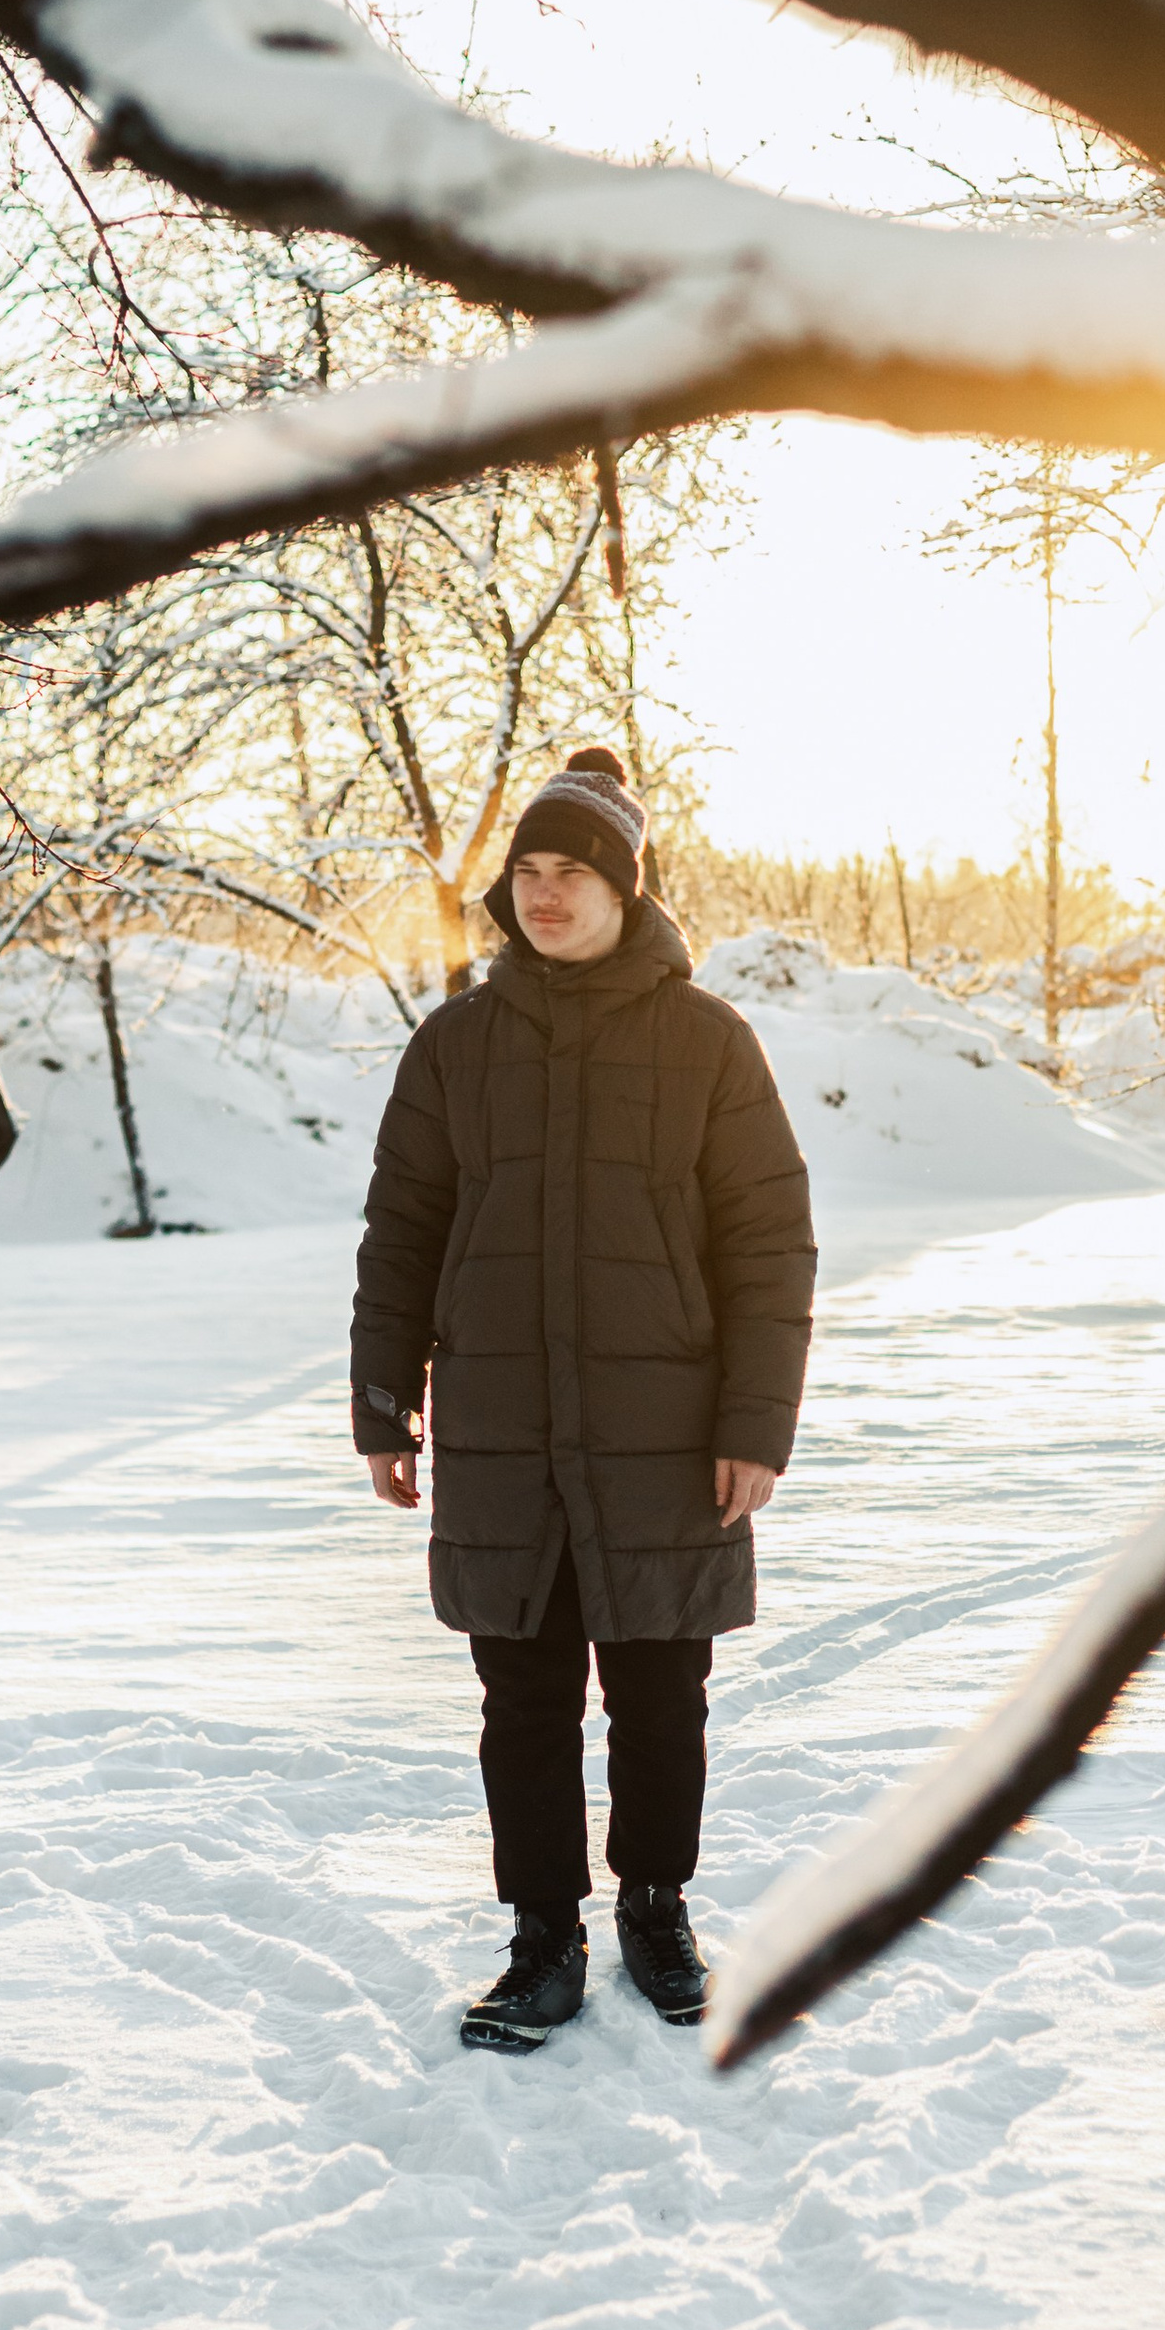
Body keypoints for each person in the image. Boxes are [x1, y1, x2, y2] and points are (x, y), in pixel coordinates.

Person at [352, 747, 817, 2053]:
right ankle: (540, 1936)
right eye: (528, 873)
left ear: (626, 885)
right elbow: (402, 1232)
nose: (544, 896)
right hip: (503, 1434)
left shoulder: (710, 1044)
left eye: (573, 873)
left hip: (664, 1439)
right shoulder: (456, 1048)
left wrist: (752, 1428)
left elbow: (770, 1246)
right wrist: (385, 1402)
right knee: (525, 1700)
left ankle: (656, 1907)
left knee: (665, 1691)